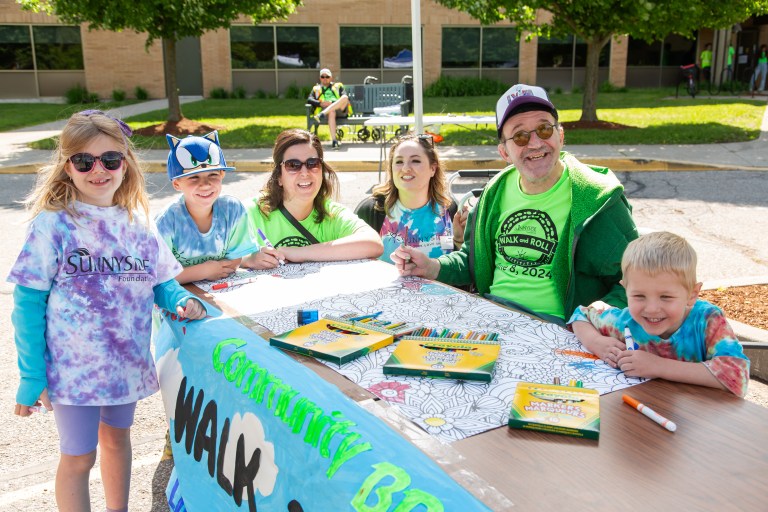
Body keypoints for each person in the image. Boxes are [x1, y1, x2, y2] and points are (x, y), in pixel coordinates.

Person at [6, 110, 208, 511]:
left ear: (126, 163)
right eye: (85, 161)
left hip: (124, 364)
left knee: (117, 440)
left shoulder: (138, 223)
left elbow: (161, 282)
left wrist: (181, 300)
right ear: (67, 167)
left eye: (110, 160)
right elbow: (27, 305)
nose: (98, 170)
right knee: (79, 457)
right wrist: (32, 374)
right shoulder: (53, 226)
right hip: (73, 372)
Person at [391, 84, 638, 325]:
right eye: (519, 136)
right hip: (489, 313)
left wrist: (595, 318)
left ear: (560, 136)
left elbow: (636, 281)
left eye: (544, 129)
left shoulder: (598, 200)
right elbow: (472, 260)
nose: (534, 143)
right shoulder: (494, 193)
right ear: (505, 153)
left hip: (558, 330)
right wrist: (431, 266)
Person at [569, 231, 750, 397]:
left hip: (701, 423)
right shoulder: (625, 321)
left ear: (691, 295)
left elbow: (736, 375)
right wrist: (597, 342)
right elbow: (580, 316)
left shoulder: (707, 321)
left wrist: (657, 366)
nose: (652, 308)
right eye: (639, 296)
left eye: (666, 297)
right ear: (626, 290)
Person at [241, 129, 383, 269]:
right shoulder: (249, 212)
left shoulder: (332, 213)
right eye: (293, 165)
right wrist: (248, 260)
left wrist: (299, 253)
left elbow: (373, 243)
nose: (304, 172)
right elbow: (220, 257)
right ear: (279, 176)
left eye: (312, 163)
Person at [155, 131, 258, 284]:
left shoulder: (233, 209)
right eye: (194, 177)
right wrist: (203, 271)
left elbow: (234, 261)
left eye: (213, 175)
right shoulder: (166, 221)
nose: (205, 184)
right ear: (177, 184)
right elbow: (158, 276)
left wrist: (185, 273)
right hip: (177, 296)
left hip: (222, 288)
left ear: (222, 174)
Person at [355, 133, 464, 262]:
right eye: (399, 162)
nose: (406, 168)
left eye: (415, 161)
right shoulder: (372, 211)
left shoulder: (449, 209)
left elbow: (459, 267)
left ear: (433, 169)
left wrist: (459, 240)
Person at [307, 68, 352, 149]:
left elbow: (345, 98)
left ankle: (322, 114)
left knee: (345, 97)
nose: (325, 78)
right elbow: (309, 100)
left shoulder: (338, 86)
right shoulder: (316, 88)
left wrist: (332, 103)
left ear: (331, 78)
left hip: (340, 110)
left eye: (327, 77)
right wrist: (320, 103)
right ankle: (334, 141)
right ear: (320, 78)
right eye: (323, 77)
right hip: (328, 112)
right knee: (331, 112)